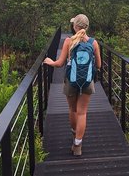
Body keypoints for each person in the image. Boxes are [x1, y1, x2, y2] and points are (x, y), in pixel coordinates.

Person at [43, 14, 101, 156]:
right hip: (87, 82)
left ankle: (74, 135)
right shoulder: (93, 43)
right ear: (87, 27)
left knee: (72, 109)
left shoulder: (69, 41)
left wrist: (50, 61)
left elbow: (60, 63)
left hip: (71, 81)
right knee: (82, 112)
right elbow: (99, 65)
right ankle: (78, 145)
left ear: (75, 26)